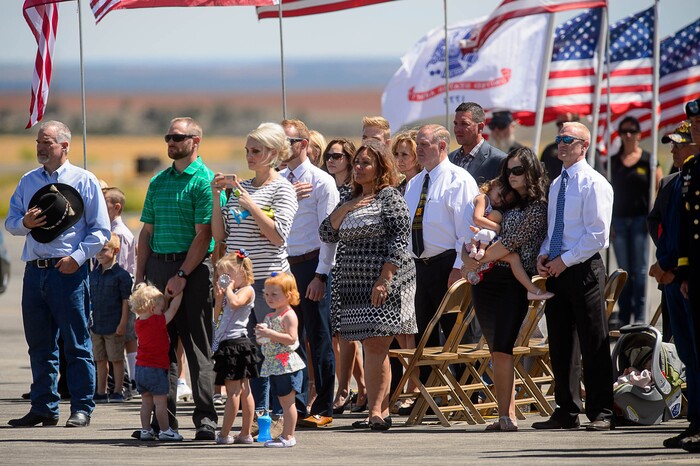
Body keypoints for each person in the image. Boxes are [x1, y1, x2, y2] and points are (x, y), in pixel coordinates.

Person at [6, 120, 111, 428]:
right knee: (40, 344)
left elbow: (101, 230)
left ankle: (81, 407)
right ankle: (43, 406)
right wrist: (25, 223)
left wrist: (77, 259)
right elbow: (10, 222)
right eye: (39, 142)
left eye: (47, 142)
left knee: (75, 342)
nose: (40, 147)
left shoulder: (85, 180)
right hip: (35, 271)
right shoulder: (28, 181)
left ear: (64, 146)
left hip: (68, 272)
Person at [320, 140, 418, 431]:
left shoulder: (390, 197)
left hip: (383, 282)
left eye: (366, 163)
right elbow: (326, 232)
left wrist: (384, 280)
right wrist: (349, 205)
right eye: (357, 163)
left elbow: (400, 242)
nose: (359, 168)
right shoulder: (347, 197)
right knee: (368, 345)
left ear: (380, 167)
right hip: (351, 285)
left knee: (376, 345)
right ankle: (378, 409)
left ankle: (377, 410)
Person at [134, 116, 219, 440]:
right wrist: (141, 276)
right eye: (168, 136)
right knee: (160, 349)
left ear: (196, 141)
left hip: (194, 271)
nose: (170, 142)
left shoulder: (204, 181)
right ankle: (163, 422)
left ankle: (206, 419)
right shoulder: (158, 181)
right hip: (157, 268)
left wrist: (183, 274)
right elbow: (146, 231)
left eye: (178, 137)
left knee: (198, 348)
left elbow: (204, 235)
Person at [211, 122, 297, 431]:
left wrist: (250, 204)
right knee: (245, 350)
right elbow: (220, 234)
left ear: (273, 153)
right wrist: (216, 195)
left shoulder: (282, 188)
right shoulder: (241, 187)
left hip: (269, 281)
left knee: (271, 348)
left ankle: (280, 412)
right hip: (239, 281)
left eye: (256, 150)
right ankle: (255, 416)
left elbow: (278, 236)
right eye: (247, 150)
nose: (249, 156)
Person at [460, 147, 549, 431]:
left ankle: (507, 416)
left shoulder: (537, 207)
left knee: (504, 345)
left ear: (531, 172)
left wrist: (474, 262)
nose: (511, 176)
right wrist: (471, 259)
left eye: (518, 170)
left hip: (512, 281)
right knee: (497, 349)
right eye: (508, 170)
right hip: (487, 283)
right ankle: (503, 415)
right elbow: (478, 232)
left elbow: (512, 242)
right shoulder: (505, 203)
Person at [534, 122, 615, 431]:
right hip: (558, 269)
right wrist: (545, 254)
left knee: (593, 340)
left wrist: (563, 262)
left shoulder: (594, 183)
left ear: (584, 145)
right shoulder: (557, 184)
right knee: (561, 342)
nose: (562, 143)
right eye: (559, 138)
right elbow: (556, 229)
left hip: (583, 270)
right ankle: (566, 409)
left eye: (568, 139)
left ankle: (602, 411)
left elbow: (598, 237)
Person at [279, 119, 338, 428]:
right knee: (290, 340)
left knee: (319, 338)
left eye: (287, 142)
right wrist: (285, 194)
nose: (280, 148)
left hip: (312, 264)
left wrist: (321, 275)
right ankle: (296, 404)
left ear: (303, 145)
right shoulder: (277, 180)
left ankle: (324, 406)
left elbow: (329, 233)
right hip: (282, 267)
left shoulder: (321, 181)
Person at [647, 119, 700, 449]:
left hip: (683, 276)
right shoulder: (671, 182)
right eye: (674, 144)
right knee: (686, 352)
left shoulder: (691, 180)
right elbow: (659, 225)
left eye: (681, 143)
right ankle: (695, 419)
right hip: (673, 278)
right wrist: (665, 265)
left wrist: (672, 268)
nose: (675, 149)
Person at [405, 124, 478, 354]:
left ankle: (470, 390)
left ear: (442, 146)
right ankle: (430, 389)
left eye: (425, 144)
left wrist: (458, 268)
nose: (419, 150)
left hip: (447, 267)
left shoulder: (459, 180)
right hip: (418, 269)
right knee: (424, 340)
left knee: (458, 337)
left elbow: (468, 231)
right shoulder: (414, 183)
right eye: (418, 145)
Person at [321, 138, 369, 414]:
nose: (331, 160)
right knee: (340, 333)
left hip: (349, 265)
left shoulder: (352, 191)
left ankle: (347, 390)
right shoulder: (327, 186)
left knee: (346, 332)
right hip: (331, 264)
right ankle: (358, 389)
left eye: (337, 156)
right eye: (328, 155)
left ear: (349, 160)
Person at [609, 115, 663, 327]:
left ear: (640, 135)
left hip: (641, 222)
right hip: (619, 221)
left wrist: (654, 217)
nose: (628, 135)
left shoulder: (649, 160)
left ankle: (640, 315)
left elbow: (660, 189)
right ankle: (624, 314)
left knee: (640, 271)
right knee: (624, 270)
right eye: (624, 131)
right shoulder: (613, 162)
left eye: (632, 131)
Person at [467, 177, 554, 301]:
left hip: (481, 243)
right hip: (474, 243)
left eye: (502, 200)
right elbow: (477, 219)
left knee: (513, 258)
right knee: (513, 258)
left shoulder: (493, 207)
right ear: (493, 184)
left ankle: (532, 290)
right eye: (499, 195)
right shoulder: (482, 198)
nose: (498, 200)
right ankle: (532, 290)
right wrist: (497, 227)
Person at [211, 251, 260, 445]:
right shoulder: (230, 292)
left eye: (229, 275)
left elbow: (236, 302)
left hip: (237, 344)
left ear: (243, 272)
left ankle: (226, 434)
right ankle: (243, 434)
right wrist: (218, 298)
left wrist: (229, 290)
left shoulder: (247, 290)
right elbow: (217, 318)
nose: (226, 279)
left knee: (238, 391)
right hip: (228, 343)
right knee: (240, 389)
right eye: (223, 276)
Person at [256, 272, 306, 448]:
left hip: (286, 364)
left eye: (274, 294)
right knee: (282, 400)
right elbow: (266, 339)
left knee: (287, 402)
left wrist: (270, 333)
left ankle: (288, 435)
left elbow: (291, 339)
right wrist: (262, 335)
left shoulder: (289, 315)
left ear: (289, 295)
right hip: (275, 364)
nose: (269, 298)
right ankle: (285, 434)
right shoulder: (271, 316)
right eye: (267, 294)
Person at [129, 283, 184, 441]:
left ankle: (146, 430)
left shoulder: (138, 322)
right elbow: (172, 310)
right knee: (160, 403)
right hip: (156, 369)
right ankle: (165, 430)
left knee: (146, 403)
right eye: (161, 309)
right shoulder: (157, 321)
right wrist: (178, 294)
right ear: (153, 309)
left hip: (140, 369)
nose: (163, 311)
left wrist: (163, 298)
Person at [676, 98, 700, 453]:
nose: (694, 127)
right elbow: (686, 226)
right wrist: (684, 269)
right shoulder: (693, 168)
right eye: (693, 124)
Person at [102, 186, 138, 395]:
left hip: (120, 292)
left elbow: (123, 266)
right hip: (112, 291)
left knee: (128, 337)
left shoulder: (120, 234)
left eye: (104, 203)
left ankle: (133, 381)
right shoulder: (109, 231)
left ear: (116, 207)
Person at [90, 233, 133, 403]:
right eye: (97, 251)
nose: (99, 254)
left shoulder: (121, 276)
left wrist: (123, 323)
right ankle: (101, 391)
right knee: (100, 359)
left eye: (104, 250)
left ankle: (118, 390)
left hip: (114, 324)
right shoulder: (93, 275)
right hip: (96, 324)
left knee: (116, 358)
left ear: (116, 250)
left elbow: (125, 302)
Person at [448, 102, 507, 185]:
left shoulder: (499, 161)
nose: (457, 129)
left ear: (480, 127)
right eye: (456, 124)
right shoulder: (449, 159)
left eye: (464, 124)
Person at [541, 113, 579, 184]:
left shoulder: (587, 150)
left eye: (566, 123)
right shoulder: (549, 150)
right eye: (559, 124)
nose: (562, 126)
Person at [392, 129, 422, 195]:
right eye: (396, 154)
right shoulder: (398, 188)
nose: (399, 159)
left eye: (404, 154)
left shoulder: (425, 186)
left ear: (417, 156)